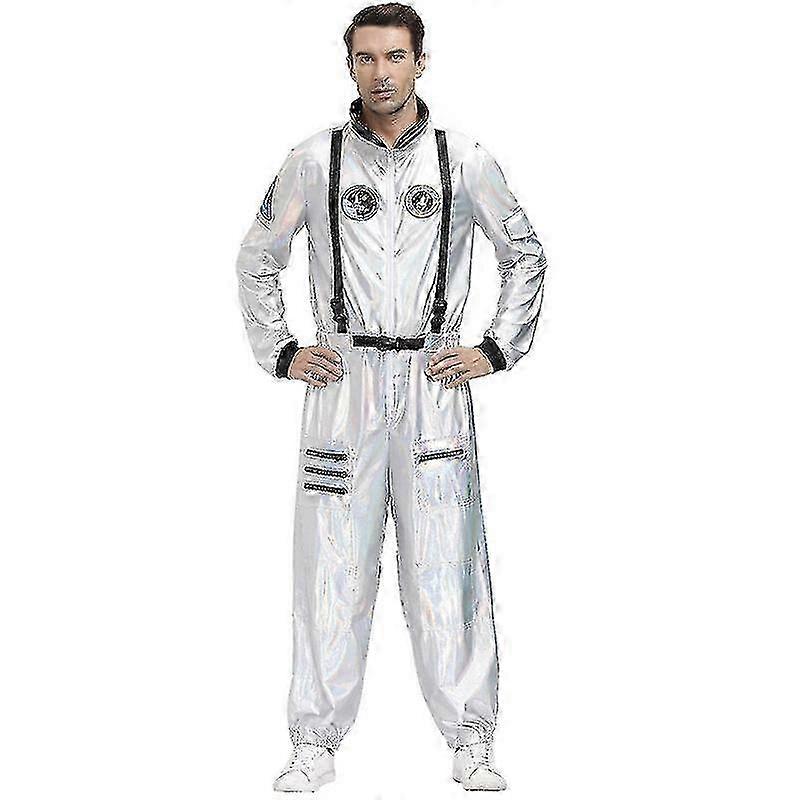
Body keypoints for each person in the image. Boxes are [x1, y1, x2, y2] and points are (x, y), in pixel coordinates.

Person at [235, 3, 547, 792]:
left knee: (449, 562)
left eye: (396, 56)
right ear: (350, 66)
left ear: (421, 61)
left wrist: (494, 349)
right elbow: (257, 256)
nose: (381, 73)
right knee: (330, 565)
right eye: (367, 58)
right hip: (342, 382)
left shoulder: (463, 159)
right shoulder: (315, 161)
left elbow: (525, 252)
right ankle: (314, 741)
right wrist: (282, 351)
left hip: (435, 381)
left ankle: (471, 738)